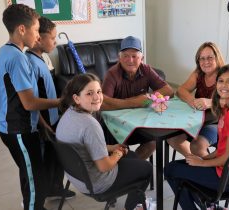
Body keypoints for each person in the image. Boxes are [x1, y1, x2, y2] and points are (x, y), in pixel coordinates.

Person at [0, 4, 60, 210]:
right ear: (22, 29)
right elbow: (29, 102)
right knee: (37, 185)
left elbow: (20, 99)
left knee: (30, 173)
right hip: (18, 130)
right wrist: (61, 101)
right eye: (35, 29)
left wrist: (41, 122)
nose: (37, 36)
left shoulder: (5, 51)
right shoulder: (17, 58)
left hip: (15, 127)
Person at [56, 73, 152, 210]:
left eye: (99, 91)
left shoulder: (68, 114)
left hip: (78, 178)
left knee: (132, 156)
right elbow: (104, 166)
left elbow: (86, 146)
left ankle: (129, 197)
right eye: (89, 93)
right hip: (97, 184)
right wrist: (117, 153)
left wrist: (112, 148)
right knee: (146, 168)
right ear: (76, 98)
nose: (97, 97)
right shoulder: (90, 125)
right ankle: (134, 205)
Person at [164, 64, 229, 210]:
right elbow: (223, 150)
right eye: (221, 81)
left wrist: (201, 164)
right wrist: (202, 159)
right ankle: (210, 206)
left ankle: (201, 206)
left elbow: (228, 156)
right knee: (184, 166)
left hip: (228, 178)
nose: (224, 85)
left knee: (170, 170)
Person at [25, 16, 75, 200]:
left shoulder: (42, 57)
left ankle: (55, 186)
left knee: (56, 156)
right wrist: (43, 125)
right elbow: (31, 100)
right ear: (39, 38)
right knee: (45, 159)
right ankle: (42, 193)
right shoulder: (29, 62)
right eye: (53, 38)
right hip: (43, 122)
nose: (55, 41)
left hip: (53, 118)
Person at [101, 35, 174, 160]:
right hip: (115, 126)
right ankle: (126, 168)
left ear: (142, 58)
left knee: (152, 142)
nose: (130, 60)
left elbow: (169, 90)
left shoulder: (146, 69)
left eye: (134, 56)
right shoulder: (112, 74)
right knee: (120, 150)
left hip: (140, 123)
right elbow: (103, 104)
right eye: (125, 56)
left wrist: (149, 97)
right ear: (119, 58)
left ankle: (132, 168)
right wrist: (134, 102)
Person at [167, 42, 225, 157]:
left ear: (217, 58)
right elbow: (181, 90)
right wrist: (193, 101)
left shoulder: (225, 76)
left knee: (197, 146)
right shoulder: (199, 73)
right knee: (172, 138)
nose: (206, 62)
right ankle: (197, 163)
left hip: (217, 122)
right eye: (202, 59)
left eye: (210, 58)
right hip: (196, 119)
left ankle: (209, 169)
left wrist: (210, 102)